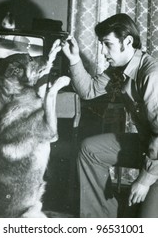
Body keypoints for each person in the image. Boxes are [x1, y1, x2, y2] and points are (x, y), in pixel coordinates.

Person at [61, 13, 158, 218]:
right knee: (90, 150)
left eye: (108, 44)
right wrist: (75, 59)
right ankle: (100, 221)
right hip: (148, 146)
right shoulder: (119, 69)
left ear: (128, 41)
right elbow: (89, 90)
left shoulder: (151, 75)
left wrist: (144, 180)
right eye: (101, 44)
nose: (103, 52)